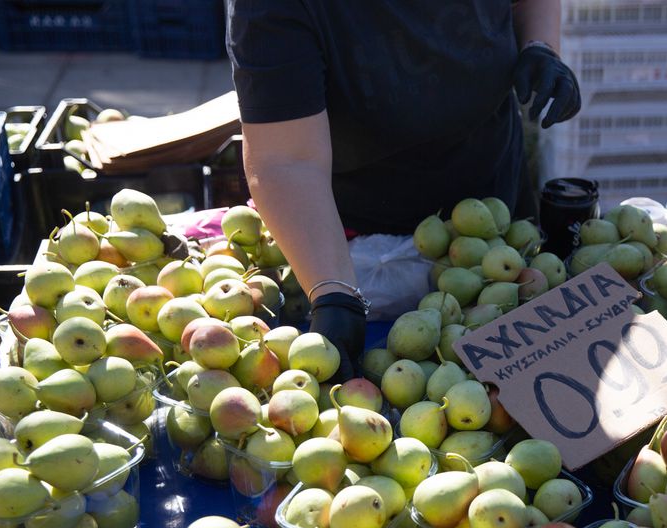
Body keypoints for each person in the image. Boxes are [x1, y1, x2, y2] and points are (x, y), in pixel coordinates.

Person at [227, 0, 581, 381]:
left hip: (490, 220)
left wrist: (539, 46)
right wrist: (334, 294)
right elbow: (285, 159)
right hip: (354, 244)